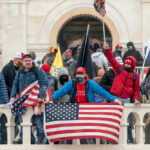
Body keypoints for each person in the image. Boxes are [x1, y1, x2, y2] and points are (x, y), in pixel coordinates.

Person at [10, 54, 48, 144]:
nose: (27, 62)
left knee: (38, 119)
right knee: (22, 119)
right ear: (23, 62)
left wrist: (40, 96)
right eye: (26, 61)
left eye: (29, 60)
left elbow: (43, 83)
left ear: (32, 61)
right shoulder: (20, 72)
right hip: (23, 99)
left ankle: (41, 139)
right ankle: (25, 138)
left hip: (36, 99)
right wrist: (12, 96)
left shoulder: (39, 70)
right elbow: (15, 84)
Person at [0, 72, 9, 144]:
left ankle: (4, 143)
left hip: (1, 104)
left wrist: (6, 103)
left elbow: (3, 88)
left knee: (4, 125)